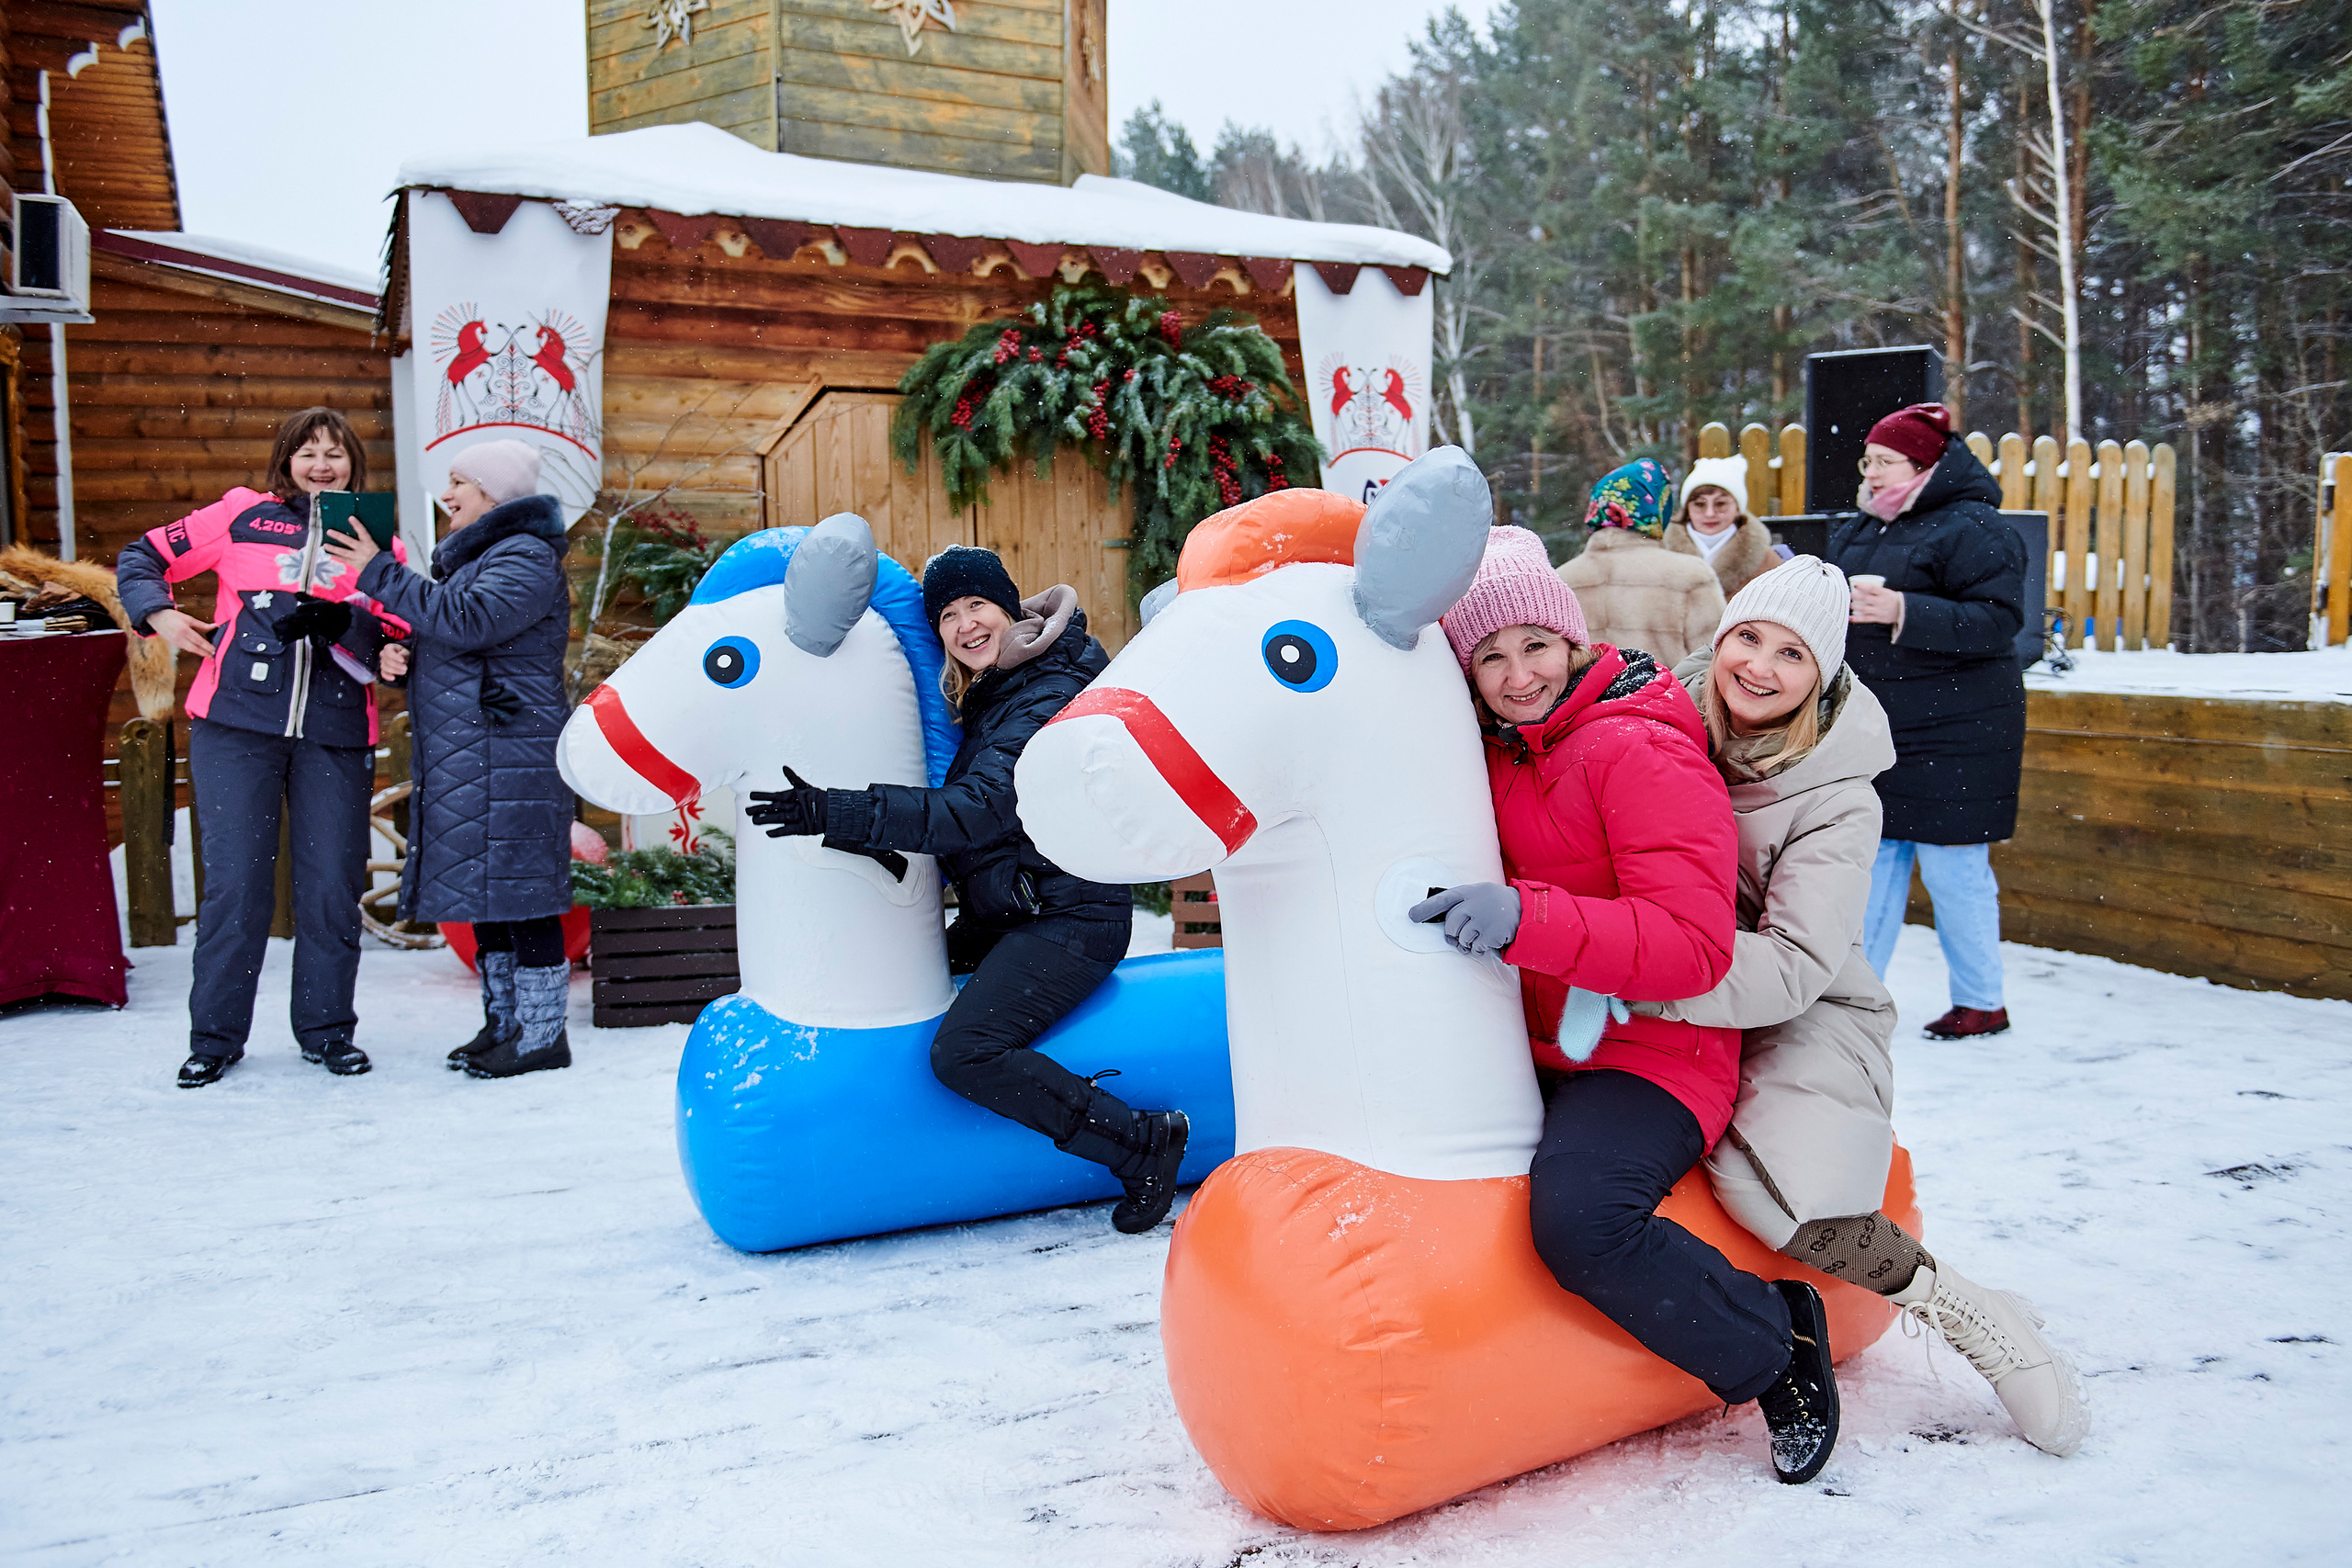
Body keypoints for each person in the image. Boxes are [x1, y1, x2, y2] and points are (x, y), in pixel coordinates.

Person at [1410, 526, 1842, 1484]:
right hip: (1538, 1037)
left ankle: (1776, 1346)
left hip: (1657, 1050)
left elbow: (1691, 948)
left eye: (1533, 645)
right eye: (1489, 655)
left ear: (1571, 641)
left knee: (1579, 1221)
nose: (1517, 674)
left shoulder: (1635, 748)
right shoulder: (1496, 750)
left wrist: (1525, 918)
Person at [1651, 556, 2087, 1456]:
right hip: (1666, 981)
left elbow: (1796, 964)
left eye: (1791, 654)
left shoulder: (1840, 795)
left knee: (1793, 1200)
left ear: (1824, 675)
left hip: (1798, 1001)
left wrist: (1644, 973)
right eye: (1745, 638)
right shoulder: (1661, 721)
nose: (1758, 668)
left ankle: (1967, 1312)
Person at [744, 546, 1190, 1235]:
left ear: (1009, 608)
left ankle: (1136, 1142)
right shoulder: (996, 693)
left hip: (1071, 915)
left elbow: (975, 810)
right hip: (1016, 908)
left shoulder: (1047, 687)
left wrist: (837, 809)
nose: (964, 624)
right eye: (947, 614)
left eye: (977, 605)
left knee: (964, 1051)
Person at [116, 408, 405, 1087]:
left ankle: (327, 1030)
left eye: (335, 453)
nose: (322, 464)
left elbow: (398, 628)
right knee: (237, 886)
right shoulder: (240, 514)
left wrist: (364, 631)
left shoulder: (371, 535)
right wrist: (156, 612)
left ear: (352, 464)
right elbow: (143, 556)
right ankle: (215, 1037)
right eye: (308, 452)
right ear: (287, 459)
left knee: (331, 888)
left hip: (336, 732)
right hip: (235, 723)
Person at [322, 439, 576, 1079]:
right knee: (491, 895)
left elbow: (467, 620)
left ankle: (543, 1035)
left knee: (524, 895)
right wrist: (393, 646)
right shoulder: (486, 556)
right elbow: (456, 637)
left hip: (510, 751)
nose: (448, 493)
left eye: (460, 481)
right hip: (480, 752)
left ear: (496, 494)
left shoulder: (526, 554)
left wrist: (378, 570)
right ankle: (506, 1024)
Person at [1829, 403, 2027, 1040]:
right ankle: (1859, 998)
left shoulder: (1977, 527)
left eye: (1885, 461)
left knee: (1954, 867)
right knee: (1876, 859)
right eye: (1869, 460)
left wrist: (1904, 608)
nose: (1872, 471)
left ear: (1925, 464)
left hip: (1959, 728)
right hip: (1885, 722)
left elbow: (1999, 621)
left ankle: (1981, 1000)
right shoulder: (1866, 525)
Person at [1557, 457, 1726, 666]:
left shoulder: (1562, 579)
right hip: (1667, 698)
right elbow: (1714, 665)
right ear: (1659, 507)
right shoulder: (1691, 575)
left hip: (1588, 700)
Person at [1665, 454, 1781, 599]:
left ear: (1738, 509)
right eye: (1699, 504)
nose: (1710, 513)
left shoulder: (1766, 560)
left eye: (1721, 504)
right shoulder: (1662, 553)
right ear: (1687, 509)